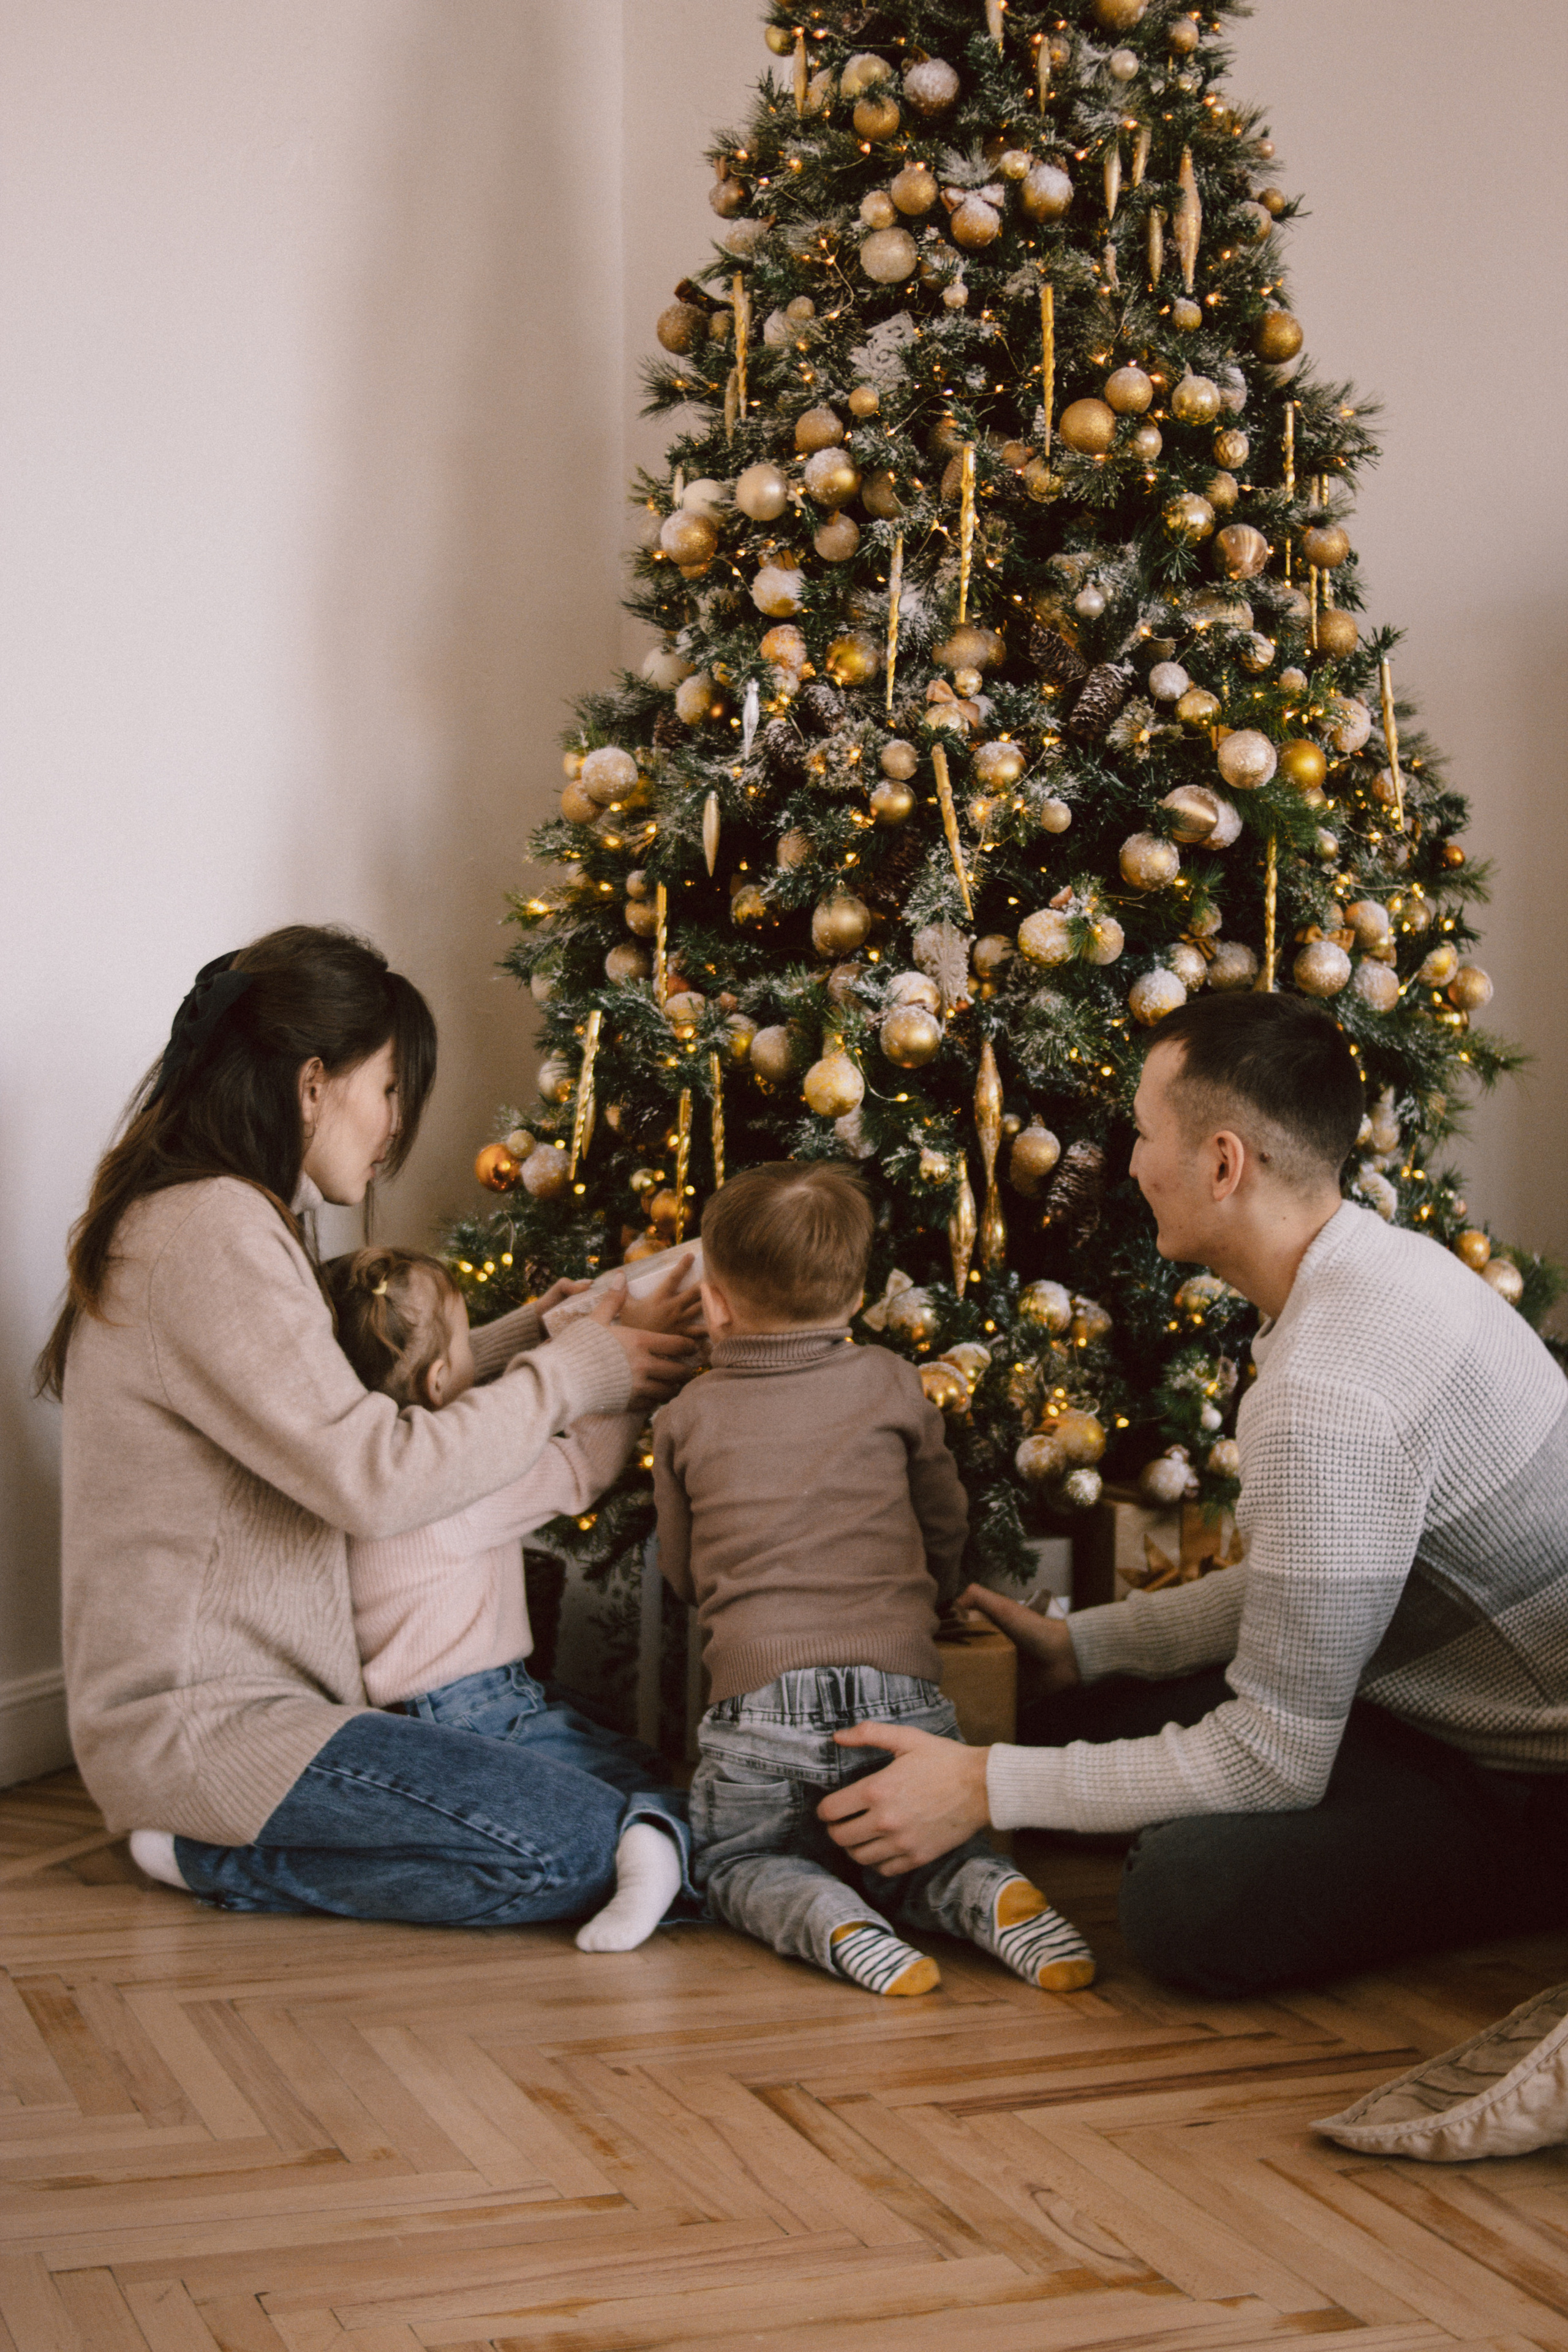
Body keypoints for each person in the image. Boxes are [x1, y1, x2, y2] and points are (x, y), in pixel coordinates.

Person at [816, 992, 1568, 1997]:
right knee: (1059, 1721)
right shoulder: (1373, 1267)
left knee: (1186, 1899)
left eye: (1141, 1132)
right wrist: (1084, 1647)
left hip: (1524, 1778)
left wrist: (979, 1786)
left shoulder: (1330, 1390)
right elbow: (1310, 1588)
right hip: (1411, 1691)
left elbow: (1274, 1760)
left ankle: (1524, 1882)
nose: (1128, 1164)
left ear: (1223, 1163)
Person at [42, 925, 698, 1927]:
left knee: (610, 1817)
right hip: (210, 1731)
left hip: (260, 1717)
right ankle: (207, 1860)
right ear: (314, 1083)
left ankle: (213, 1845)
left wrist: (541, 1334)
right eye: (387, 1089)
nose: (394, 1124)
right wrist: (576, 1373)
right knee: (576, 1845)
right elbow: (375, 1475)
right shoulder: (210, 1228)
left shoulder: (210, 1216)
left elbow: (343, 1399)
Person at [652, 1161, 1095, 1997]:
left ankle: (831, 1919)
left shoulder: (687, 1415)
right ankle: (988, 1893)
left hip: (759, 1703)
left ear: (714, 1302)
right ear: (857, 1299)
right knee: (920, 1851)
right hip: (902, 1699)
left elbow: (683, 1571)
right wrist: (930, 1591)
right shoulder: (892, 1382)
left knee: (742, 1860)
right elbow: (943, 1521)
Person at [320, 1243, 698, 1951]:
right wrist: (621, 1372)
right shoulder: (453, 1475)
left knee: (621, 1760)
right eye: (468, 1343)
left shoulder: (356, 1461)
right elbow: (583, 1468)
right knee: (644, 1782)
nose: (478, 1360)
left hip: (394, 1717)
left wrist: (541, 1332)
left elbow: (469, 1398)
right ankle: (658, 1846)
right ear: (439, 1382)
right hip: (478, 1711)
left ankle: (645, 1833)